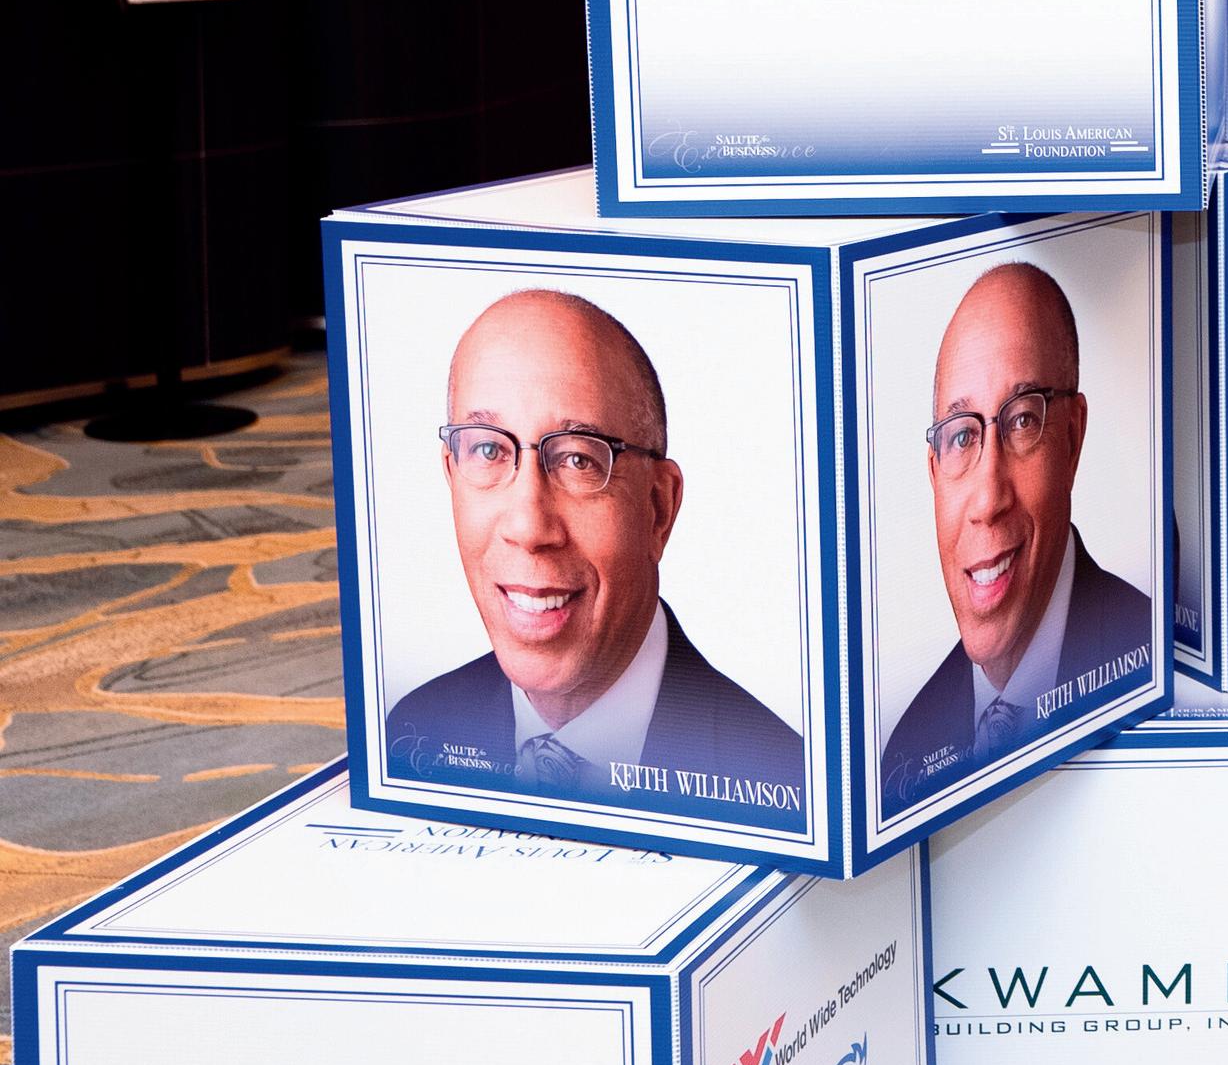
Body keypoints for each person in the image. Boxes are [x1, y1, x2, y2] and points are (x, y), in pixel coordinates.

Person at [386, 289, 808, 825]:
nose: (528, 528)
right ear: (451, 476)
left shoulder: (785, 785)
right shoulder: (414, 733)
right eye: (488, 450)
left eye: (579, 460)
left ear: (658, 508)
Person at [879, 262, 1153, 816]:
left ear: (1072, 438)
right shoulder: (903, 756)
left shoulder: (1156, 663)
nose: (988, 500)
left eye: (1023, 421)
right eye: (962, 438)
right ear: (933, 474)